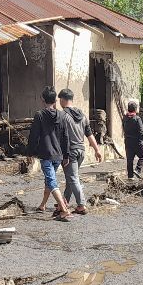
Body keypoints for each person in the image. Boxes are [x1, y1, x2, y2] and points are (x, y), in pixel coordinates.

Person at [28, 87, 73, 221]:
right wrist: (66, 155)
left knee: (52, 181)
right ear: (55, 100)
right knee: (49, 179)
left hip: (46, 154)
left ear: (43, 100)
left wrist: (30, 152)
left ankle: (64, 210)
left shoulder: (39, 115)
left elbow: (34, 136)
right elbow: (66, 137)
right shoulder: (62, 115)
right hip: (58, 155)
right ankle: (42, 205)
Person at [57, 88, 102, 216]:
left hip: (70, 151)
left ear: (63, 100)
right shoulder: (82, 115)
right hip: (81, 150)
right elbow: (89, 134)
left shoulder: (63, 116)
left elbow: (61, 136)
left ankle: (81, 205)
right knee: (71, 178)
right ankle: (64, 202)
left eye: (60, 99)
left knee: (72, 178)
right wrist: (97, 150)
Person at [122, 100, 143, 179]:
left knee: (129, 160)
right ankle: (138, 169)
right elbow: (141, 131)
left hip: (128, 142)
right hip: (137, 142)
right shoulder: (137, 119)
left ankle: (130, 177)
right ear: (135, 109)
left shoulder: (125, 118)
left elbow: (123, 128)